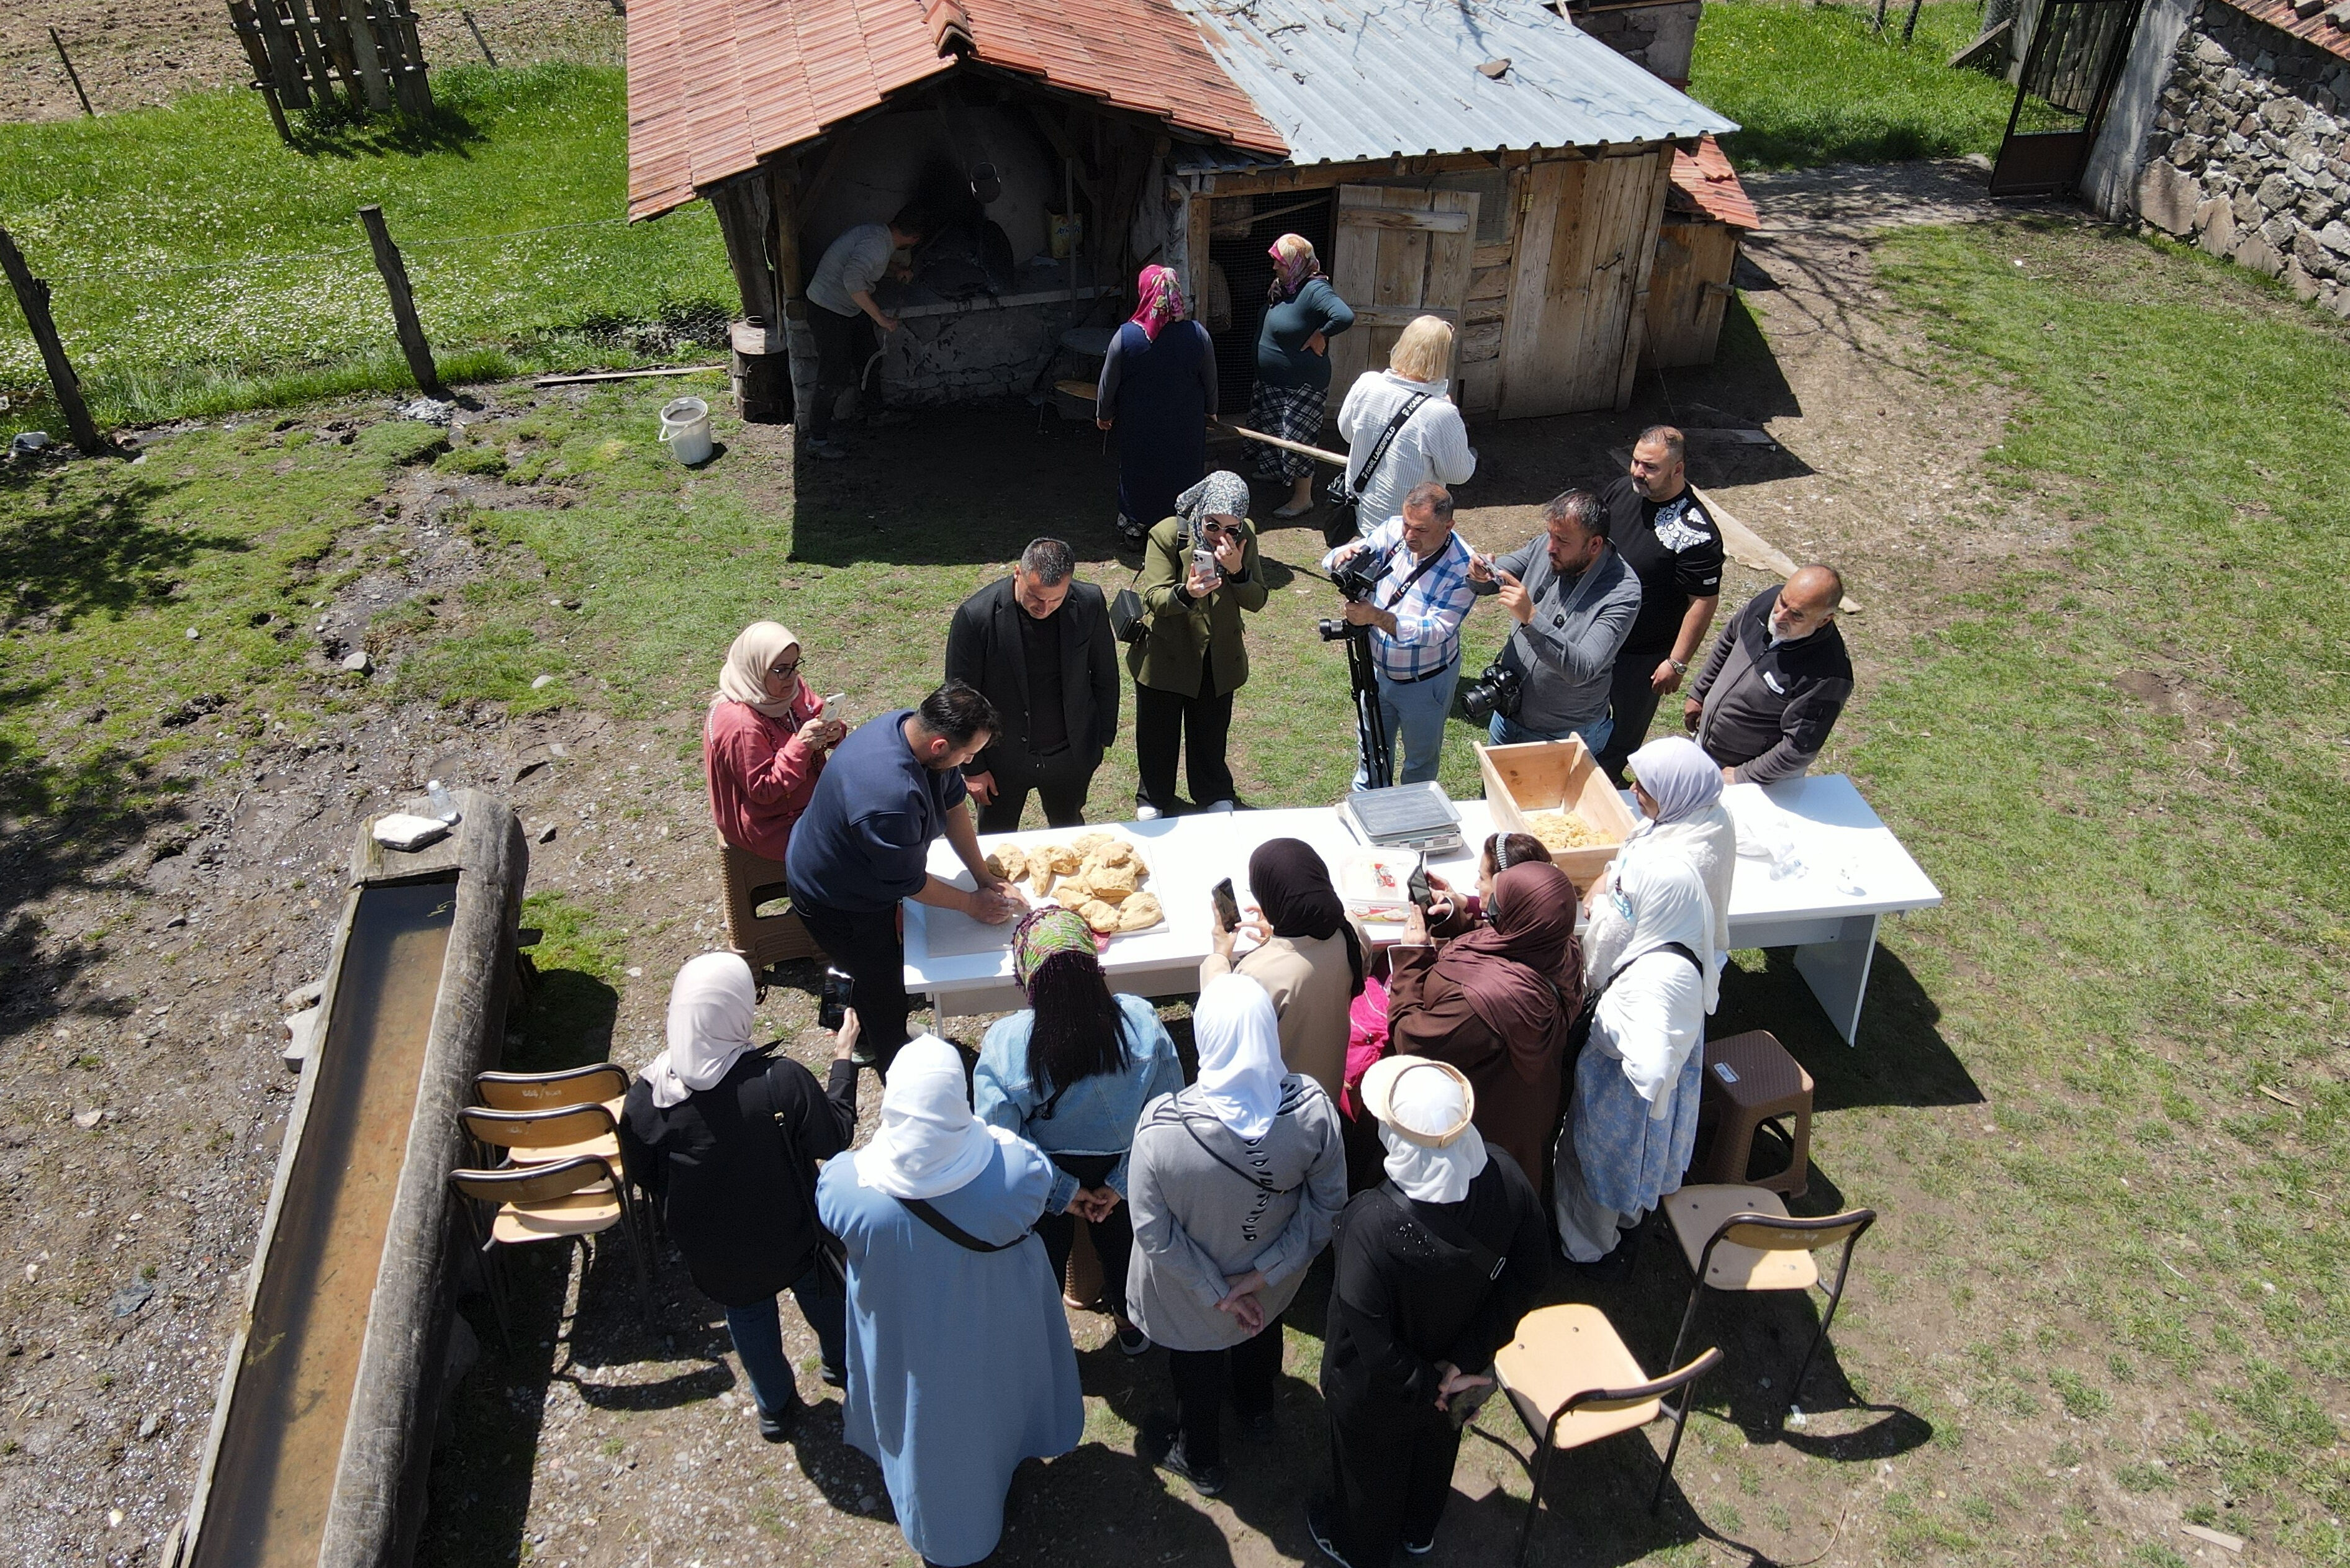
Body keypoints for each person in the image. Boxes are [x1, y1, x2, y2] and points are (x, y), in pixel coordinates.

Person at [815, 1034, 1084, 1567]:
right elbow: (1039, 1181)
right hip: (993, 1329)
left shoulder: (847, 1185)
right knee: (998, 1412)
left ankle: (943, 1531)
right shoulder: (1014, 1173)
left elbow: (831, 1210)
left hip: (908, 1347)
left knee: (928, 1437)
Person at [1308, 1056, 1548, 1568]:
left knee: (1367, 1474)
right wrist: (1463, 1363)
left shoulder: (1369, 1222)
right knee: (1435, 1453)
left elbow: (1371, 1339)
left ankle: (1359, 1550)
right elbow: (1529, 1274)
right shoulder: (1505, 1175)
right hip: (1457, 1377)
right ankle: (1419, 1531)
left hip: (1379, 1391)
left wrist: (1428, 1385)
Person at [620, 953, 859, 1440]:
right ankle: (841, 1365)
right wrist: (842, 1059)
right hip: (795, 1234)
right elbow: (834, 1138)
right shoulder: (779, 1080)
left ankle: (774, 1408)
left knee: (748, 1318)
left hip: (718, 1254)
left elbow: (643, 1173)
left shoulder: (647, 1096)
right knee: (822, 1296)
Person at [1126, 973, 1347, 1495]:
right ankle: (1257, 1411)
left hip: (1190, 1294)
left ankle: (1200, 1460)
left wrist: (1218, 1292)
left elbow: (1153, 1232)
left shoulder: (1161, 1128)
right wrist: (1260, 1277)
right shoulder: (1312, 1110)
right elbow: (1327, 1206)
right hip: (1271, 1280)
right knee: (1259, 1334)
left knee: (1196, 1371)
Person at [973, 909, 1184, 1357]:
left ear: (1027, 975)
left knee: (1044, 1260)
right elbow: (1167, 1113)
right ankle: (1131, 1326)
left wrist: (1063, 1192)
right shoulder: (1141, 1020)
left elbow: (1000, 1139)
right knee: (1125, 1250)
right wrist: (1120, 1183)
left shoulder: (1005, 1042)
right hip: (1127, 1169)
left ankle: (1043, 1344)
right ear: (1093, 964)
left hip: (1042, 1176)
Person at [785, 682, 1024, 1073]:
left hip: (853, 868)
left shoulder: (911, 727)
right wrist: (971, 904)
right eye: (968, 754)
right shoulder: (890, 798)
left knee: (870, 967)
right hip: (835, 896)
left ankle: (856, 1025)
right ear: (940, 746)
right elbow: (910, 883)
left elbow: (953, 806)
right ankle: (893, 1061)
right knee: (881, 985)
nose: (969, 762)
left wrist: (983, 877)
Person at [1553, 853, 1714, 1264]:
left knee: (1593, 1173)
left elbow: (1649, 1065)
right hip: (1657, 1102)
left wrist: (1611, 1033)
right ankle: (1624, 1223)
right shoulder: (1685, 937)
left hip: (1619, 1097)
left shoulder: (1652, 979)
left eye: (1630, 898)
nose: (1622, 905)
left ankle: (1588, 1252)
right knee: (1635, 1166)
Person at [1385, 857, 1583, 1183]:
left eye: (1497, 908)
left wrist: (1411, 959)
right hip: (1529, 1118)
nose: (1489, 911)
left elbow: (1412, 1041)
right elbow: (1503, 937)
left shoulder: (1482, 1003)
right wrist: (1453, 918)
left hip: (1480, 1139)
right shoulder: (1562, 946)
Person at [944, 539, 1119, 832]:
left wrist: (1101, 738)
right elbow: (960, 698)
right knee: (997, 838)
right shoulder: (976, 617)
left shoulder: (1090, 602)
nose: (1045, 608)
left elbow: (1105, 673)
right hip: (1002, 758)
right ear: (1018, 573)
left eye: (1056, 600)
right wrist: (973, 768)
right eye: (1036, 597)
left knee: (1070, 834)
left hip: (1070, 756)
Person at [1128, 471, 1267, 819]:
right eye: (1212, 526)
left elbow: (1257, 599)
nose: (1222, 536)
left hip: (1218, 655)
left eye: (1231, 528)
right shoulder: (1167, 534)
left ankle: (1213, 789)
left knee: (1211, 730)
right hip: (1168, 654)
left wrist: (1237, 571)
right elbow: (1154, 597)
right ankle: (1154, 795)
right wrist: (1187, 592)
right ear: (1200, 513)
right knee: (1158, 732)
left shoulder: (1245, 537)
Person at [1321, 482, 1478, 787]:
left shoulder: (1463, 567)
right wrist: (1342, 556)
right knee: (1371, 754)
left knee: (1420, 763)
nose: (1409, 536)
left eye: (1421, 530)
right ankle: (1370, 802)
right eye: (1407, 524)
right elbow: (1343, 558)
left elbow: (1438, 630)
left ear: (1448, 526)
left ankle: (1413, 812)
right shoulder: (1394, 528)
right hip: (1376, 673)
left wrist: (1376, 617)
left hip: (1425, 682)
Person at [1466, 488, 1641, 754]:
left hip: (1563, 735)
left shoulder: (1622, 593)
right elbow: (1497, 577)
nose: (1550, 547)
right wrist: (1480, 573)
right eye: (1550, 535)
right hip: (1507, 714)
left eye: (1562, 540)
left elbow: (1582, 669)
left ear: (1595, 545)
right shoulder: (1547, 547)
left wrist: (1531, 618)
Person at [1596, 426, 1725, 785]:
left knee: (1623, 732)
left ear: (1677, 469)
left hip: (1642, 653)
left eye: (1650, 467)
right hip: (1596, 632)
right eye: (1636, 462)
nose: (1638, 472)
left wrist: (1677, 662)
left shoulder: (1696, 532)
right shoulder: (1622, 490)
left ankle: (1607, 783)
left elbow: (1703, 601)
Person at [1201, 838, 1365, 1101]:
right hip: (1328, 1087)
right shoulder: (1351, 929)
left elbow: (1221, 1021)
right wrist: (1279, 937)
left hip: (1281, 1105)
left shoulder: (1258, 974)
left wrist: (1219, 955)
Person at [1684, 567, 1855, 785]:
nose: (1779, 617)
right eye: (1782, 602)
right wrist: (1700, 692)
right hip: (1707, 748)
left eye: (1797, 615)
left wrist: (1745, 775)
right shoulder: (1766, 603)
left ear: (1824, 620)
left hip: (1748, 778)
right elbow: (1729, 639)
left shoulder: (1827, 675)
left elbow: (1799, 748)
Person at [1604, 737, 1735, 1011]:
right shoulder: (1700, 812)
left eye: (1644, 786)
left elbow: (1623, 929)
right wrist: (1610, 874)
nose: (1632, 789)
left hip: (1653, 971)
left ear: (1675, 792)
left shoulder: (1671, 865)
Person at [702, 620, 847, 863]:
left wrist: (832, 731)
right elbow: (764, 789)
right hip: (771, 824)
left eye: (795, 665)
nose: (793, 676)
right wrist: (801, 746)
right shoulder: (740, 723)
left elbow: (813, 711)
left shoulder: (786, 689)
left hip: (810, 801)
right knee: (854, 849)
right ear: (756, 668)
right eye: (781, 669)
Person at [1096, 264, 1218, 548]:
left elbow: (1108, 382)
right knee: (1182, 473)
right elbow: (1210, 379)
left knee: (1139, 473)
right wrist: (1211, 409)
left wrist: (1104, 414)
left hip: (1140, 427)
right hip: (1185, 427)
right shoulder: (1198, 335)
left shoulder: (1126, 337)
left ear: (1146, 293)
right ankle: (1182, 528)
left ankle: (1136, 528)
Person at [1332, 316, 1477, 539]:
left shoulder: (1367, 383)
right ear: (1442, 357)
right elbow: (1458, 475)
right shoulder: (1441, 412)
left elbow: (1347, 434)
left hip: (1362, 514)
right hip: (1409, 529)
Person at [801, 206, 926, 459]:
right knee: (833, 376)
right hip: (828, 310)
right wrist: (881, 318)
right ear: (914, 239)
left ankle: (875, 413)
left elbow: (866, 264)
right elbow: (854, 281)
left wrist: (896, 270)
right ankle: (817, 440)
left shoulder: (879, 235)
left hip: (849, 308)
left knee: (869, 357)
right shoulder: (877, 245)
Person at [1248, 234, 1355, 519]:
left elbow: (1344, 316)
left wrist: (1321, 334)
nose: (1275, 267)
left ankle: (1302, 498)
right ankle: (1276, 471)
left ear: (1298, 263)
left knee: (1299, 440)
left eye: (1280, 262)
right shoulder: (1285, 287)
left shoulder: (1315, 288)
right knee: (1274, 431)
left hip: (1301, 385)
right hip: (1274, 382)